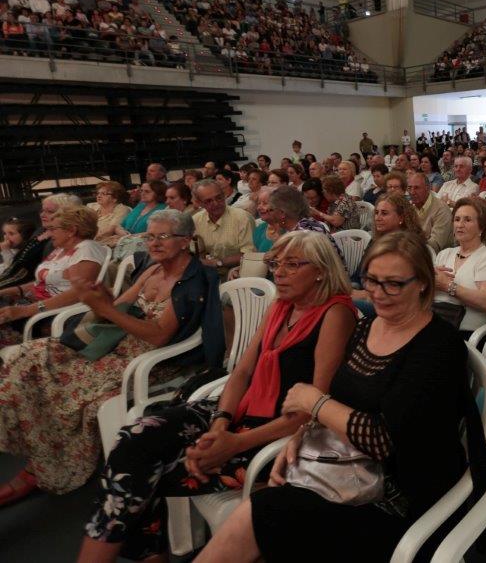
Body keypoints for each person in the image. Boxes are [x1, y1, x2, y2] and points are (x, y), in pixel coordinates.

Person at [198, 231, 486, 561]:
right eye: (372, 280)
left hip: (398, 501)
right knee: (267, 512)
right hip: (347, 474)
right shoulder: (368, 328)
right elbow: (344, 398)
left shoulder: (438, 346)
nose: (378, 293)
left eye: (393, 283)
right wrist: (303, 435)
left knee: (262, 513)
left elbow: (383, 439)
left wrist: (314, 403)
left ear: (423, 283)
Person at [79, 231, 355, 561]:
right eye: (275, 263)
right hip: (238, 411)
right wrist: (220, 425)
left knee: (139, 472)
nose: (278, 272)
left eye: (292, 264)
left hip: (279, 431)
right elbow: (241, 373)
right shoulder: (282, 305)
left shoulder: (335, 314)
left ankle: (147, 556)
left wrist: (236, 443)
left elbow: (313, 409)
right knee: (133, 439)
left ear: (322, 269)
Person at [0, 211, 223, 507]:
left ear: (185, 242)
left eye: (162, 237)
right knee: (27, 357)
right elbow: (120, 306)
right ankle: (34, 447)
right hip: (119, 343)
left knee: (63, 387)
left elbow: (158, 336)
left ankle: (44, 468)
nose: (153, 243)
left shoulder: (192, 282)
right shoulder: (153, 269)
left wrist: (105, 308)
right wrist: (102, 298)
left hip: (152, 359)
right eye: (149, 236)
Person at [0, 206, 105, 346]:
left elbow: (78, 293)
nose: (48, 234)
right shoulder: (60, 250)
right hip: (34, 305)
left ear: (71, 230)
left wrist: (24, 311)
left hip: (50, 313)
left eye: (53, 229)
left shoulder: (87, 249)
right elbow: (44, 283)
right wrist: (11, 291)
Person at [434, 198, 486, 337]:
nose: (460, 225)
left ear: (481, 227)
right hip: (436, 323)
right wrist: (428, 281)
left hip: (468, 334)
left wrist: (447, 285)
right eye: (457, 219)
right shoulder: (444, 254)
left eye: (467, 220)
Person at [0, 193, 81, 292]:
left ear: (66, 215)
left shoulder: (59, 240)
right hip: (9, 281)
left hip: (21, 288)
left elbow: (46, 277)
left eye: (50, 211)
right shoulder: (40, 231)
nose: (42, 214)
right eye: (42, 210)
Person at [192, 179, 257, 278]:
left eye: (219, 198)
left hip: (241, 274)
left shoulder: (242, 218)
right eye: (208, 201)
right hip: (211, 275)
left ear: (224, 195)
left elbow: (249, 254)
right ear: (199, 203)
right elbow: (196, 252)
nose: (216, 203)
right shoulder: (196, 220)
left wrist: (218, 262)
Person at [108, 181, 167, 246]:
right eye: (141, 191)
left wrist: (129, 237)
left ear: (158, 193)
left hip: (145, 245)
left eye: (147, 191)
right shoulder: (140, 206)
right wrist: (123, 234)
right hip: (125, 242)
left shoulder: (163, 209)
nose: (142, 194)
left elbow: (156, 232)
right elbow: (119, 226)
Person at [408, 171, 453, 252]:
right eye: (409, 188)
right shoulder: (409, 208)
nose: (412, 192)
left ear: (428, 188)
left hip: (437, 258)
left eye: (416, 188)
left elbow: (435, 245)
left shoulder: (441, 209)